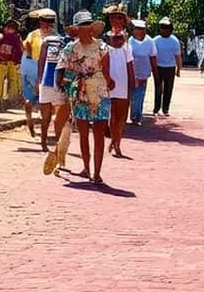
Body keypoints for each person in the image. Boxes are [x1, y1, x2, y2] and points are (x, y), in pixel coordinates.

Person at [60, 11, 113, 183]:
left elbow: (106, 70)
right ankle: (86, 167)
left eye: (88, 26)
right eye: (82, 27)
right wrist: (66, 87)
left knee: (98, 133)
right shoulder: (71, 48)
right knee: (83, 133)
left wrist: (109, 81)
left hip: (99, 91)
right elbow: (64, 70)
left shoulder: (102, 47)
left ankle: (96, 172)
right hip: (80, 91)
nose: (85, 30)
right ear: (76, 30)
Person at [39, 19, 72, 169]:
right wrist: (39, 80)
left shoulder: (72, 43)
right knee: (47, 117)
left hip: (60, 84)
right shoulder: (49, 41)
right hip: (48, 81)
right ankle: (44, 143)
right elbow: (42, 60)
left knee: (59, 119)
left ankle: (58, 152)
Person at [21, 9, 57, 143]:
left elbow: (26, 49)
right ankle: (33, 121)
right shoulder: (55, 36)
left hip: (36, 67)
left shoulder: (35, 35)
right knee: (41, 100)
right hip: (39, 68)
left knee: (34, 98)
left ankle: (31, 120)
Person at [104, 28, 134, 157]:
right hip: (109, 86)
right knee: (113, 116)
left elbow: (130, 66)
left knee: (121, 118)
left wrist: (132, 84)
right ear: (109, 39)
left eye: (121, 38)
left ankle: (117, 142)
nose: (119, 40)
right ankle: (115, 141)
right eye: (116, 38)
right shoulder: (105, 50)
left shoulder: (127, 49)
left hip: (123, 86)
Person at [128, 19, 158, 125]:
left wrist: (155, 73)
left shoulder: (150, 42)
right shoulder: (129, 42)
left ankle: (136, 117)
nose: (142, 31)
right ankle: (128, 115)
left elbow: (153, 57)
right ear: (134, 31)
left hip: (144, 73)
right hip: (131, 72)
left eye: (143, 29)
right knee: (130, 95)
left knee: (139, 94)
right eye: (139, 29)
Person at [152, 18, 182, 117]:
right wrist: (153, 68)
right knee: (158, 89)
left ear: (170, 29)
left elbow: (177, 56)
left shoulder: (174, 41)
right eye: (162, 28)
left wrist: (179, 69)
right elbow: (152, 56)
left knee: (168, 89)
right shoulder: (155, 40)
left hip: (170, 68)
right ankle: (156, 109)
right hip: (158, 67)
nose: (164, 30)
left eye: (166, 28)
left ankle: (166, 109)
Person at [0, 19, 24, 101]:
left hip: (12, 61)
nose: (11, 29)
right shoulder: (0, 36)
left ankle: (12, 99)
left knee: (13, 81)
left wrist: (18, 59)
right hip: (1, 61)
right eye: (9, 27)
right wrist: (2, 57)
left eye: (13, 27)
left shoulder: (17, 37)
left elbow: (21, 48)